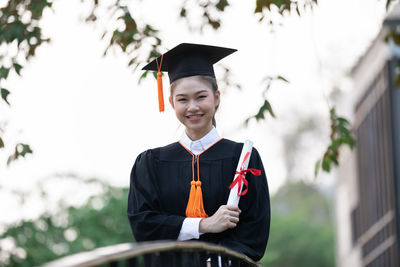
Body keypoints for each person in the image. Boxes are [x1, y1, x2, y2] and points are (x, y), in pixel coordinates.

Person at [127, 43, 270, 264]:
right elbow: (144, 227)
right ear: (172, 103)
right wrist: (204, 224)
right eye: (183, 99)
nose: (192, 107)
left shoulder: (242, 157)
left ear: (217, 97)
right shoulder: (151, 163)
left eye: (201, 97)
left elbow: (255, 233)